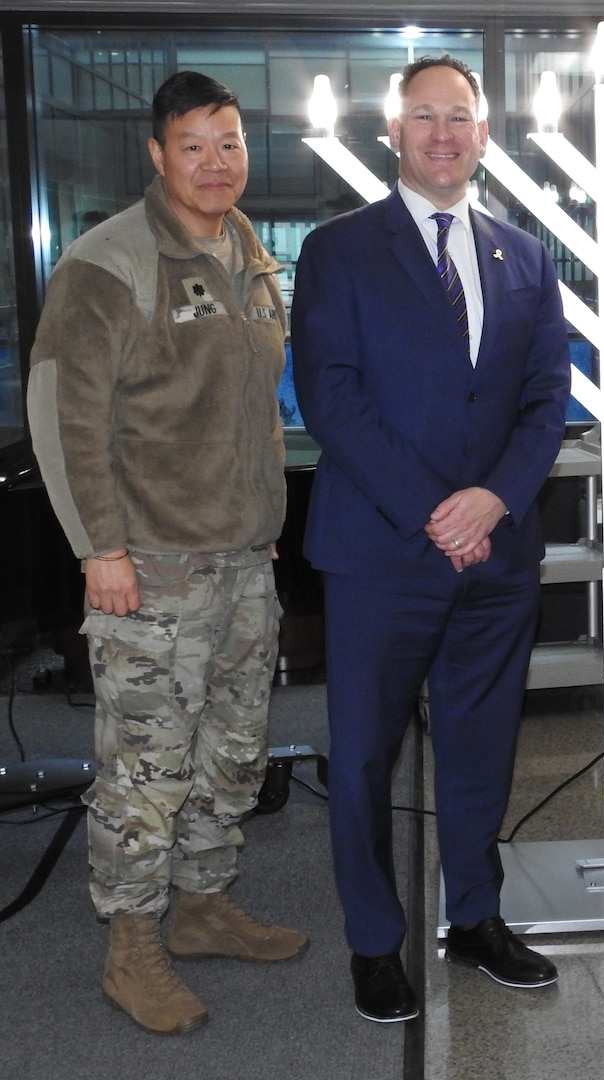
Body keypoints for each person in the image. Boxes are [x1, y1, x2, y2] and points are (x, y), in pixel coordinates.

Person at [291, 54, 570, 1024]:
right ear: (394, 134)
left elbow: (547, 398)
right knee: (364, 756)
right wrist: (433, 509)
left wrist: (491, 499)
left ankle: (476, 919)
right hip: (378, 552)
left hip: (496, 554)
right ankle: (376, 942)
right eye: (424, 117)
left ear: (484, 134)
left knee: (481, 746)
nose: (443, 132)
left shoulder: (525, 256)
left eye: (460, 116)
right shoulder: (338, 249)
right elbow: (331, 394)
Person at [26, 70, 305, 1036]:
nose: (217, 160)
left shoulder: (248, 256)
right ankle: (131, 948)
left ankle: (201, 906)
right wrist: (97, 549)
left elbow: (254, 409)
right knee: (148, 769)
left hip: (241, 561)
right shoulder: (108, 262)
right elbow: (63, 416)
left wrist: (263, 512)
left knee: (231, 752)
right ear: (156, 154)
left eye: (229, 142)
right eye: (194, 144)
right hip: (147, 567)